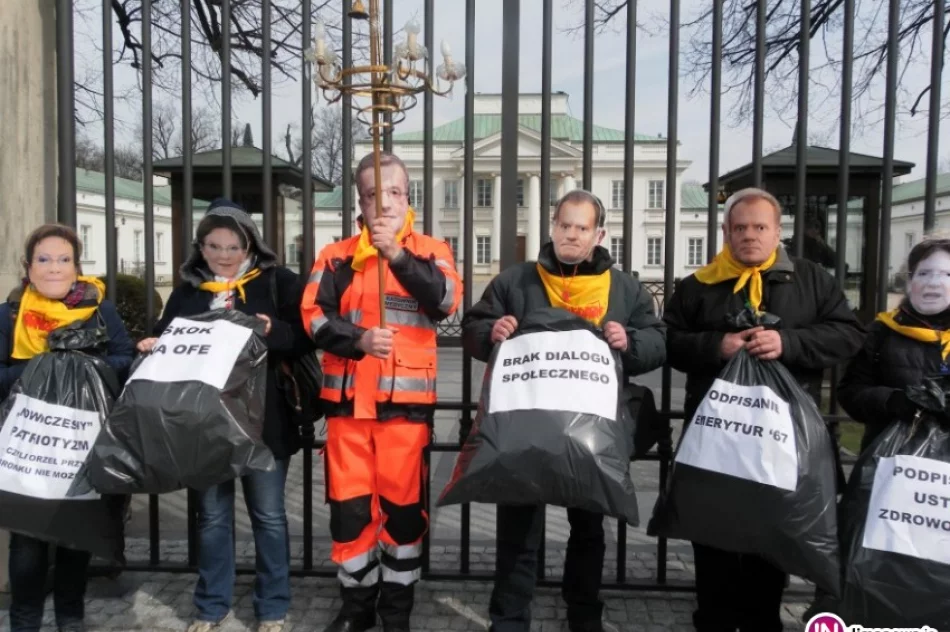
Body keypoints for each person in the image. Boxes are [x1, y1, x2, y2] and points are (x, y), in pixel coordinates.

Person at [461, 189, 667, 632]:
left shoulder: (624, 287)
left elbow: (657, 341)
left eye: (581, 227)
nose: (571, 234)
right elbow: (473, 327)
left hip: (591, 435)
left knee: (589, 532)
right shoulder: (516, 281)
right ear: (552, 226)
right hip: (524, 430)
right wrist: (490, 331)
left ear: (599, 234)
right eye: (564, 225)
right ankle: (510, 619)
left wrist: (629, 342)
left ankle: (583, 612)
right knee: (518, 532)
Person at [663, 187, 864, 632]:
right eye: (740, 227)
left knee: (769, 537)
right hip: (715, 441)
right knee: (712, 534)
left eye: (759, 227)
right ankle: (712, 621)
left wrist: (788, 342)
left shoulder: (812, 280)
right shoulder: (699, 285)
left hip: (782, 441)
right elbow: (669, 341)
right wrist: (717, 345)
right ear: (725, 231)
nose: (749, 235)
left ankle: (761, 621)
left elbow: (848, 335)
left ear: (777, 231)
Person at [302, 151, 462, 632]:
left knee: (402, 516)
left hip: (404, 413)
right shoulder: (336, 256)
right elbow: (312, 318)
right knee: (350, 515)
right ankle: (357, 610)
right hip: (348, 410)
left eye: (393, 192)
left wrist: (397, 254)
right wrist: (358, 340)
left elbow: (448, 301)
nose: (385, 203)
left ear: (407, 195)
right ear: (361, 201)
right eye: (374, 194)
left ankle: (396, 614)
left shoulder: (433, 250)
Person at [137, 198, 313, 632]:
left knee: (268, 516)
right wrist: (152, 344)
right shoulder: (189, 290)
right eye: (213, 246)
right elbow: (168, 336)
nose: (223, 255)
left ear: (249, 244)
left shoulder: (278, 282)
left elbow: (306, 337)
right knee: (213, 518)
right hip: (205, 424)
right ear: (201, 247)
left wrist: (274, 332)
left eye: (232, 246)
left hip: (264, 421)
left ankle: (272, 607)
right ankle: (211, 606)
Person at [0, 223, 135, 632]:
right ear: (28, 267)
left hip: (81, 446)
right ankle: (25, 623)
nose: (54, 268)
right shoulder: (9, 315)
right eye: (44, 259)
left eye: (64, 259)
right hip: (28, 449)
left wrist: (83, 367)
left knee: (76, 539)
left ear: (77, 266)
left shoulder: (99, 309)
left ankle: (71, 621)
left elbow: (124, 360)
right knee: (27, 543)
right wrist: (42, 367)